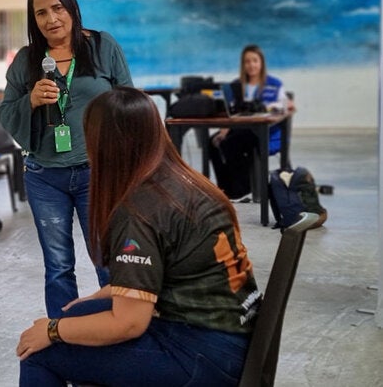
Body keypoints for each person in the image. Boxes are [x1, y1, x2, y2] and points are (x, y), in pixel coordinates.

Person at [16, 87, 260, 386]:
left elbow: (129, 324)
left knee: (39, 351)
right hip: (234, 337)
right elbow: (168, 272)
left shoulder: (139, 210)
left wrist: (52, 330)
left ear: (104, 145)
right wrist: (88, 306)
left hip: (203, 355)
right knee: (80, 314)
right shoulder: (184, 182)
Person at [0, 0, 133, 319]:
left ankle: (116, 329)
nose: (51, 19)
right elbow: (5, 111)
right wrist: (29, 100)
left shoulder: (103, 46)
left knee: (107, 260)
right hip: (44, 177)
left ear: (71, 7)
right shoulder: (28, 60)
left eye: (57, 8)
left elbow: (129, 101)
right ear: (34, 20)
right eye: (41, 13)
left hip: (97, 173)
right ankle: (63, 337)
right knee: (58, 266)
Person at [209, 44, 294, 202]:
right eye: (247, 61)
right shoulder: (236, 85)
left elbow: (285, 105)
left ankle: (246, 185)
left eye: (255, 60)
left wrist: (285, 105)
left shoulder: (274, 84)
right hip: (240, 129)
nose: (251, 65)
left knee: (232, 143)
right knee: (213, 142)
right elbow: (230, 112)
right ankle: (226, 190)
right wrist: (224, 129)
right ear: (243, 64)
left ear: (261, 63)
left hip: (267, 132)